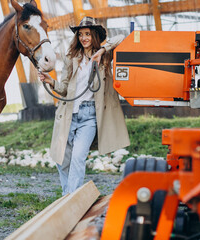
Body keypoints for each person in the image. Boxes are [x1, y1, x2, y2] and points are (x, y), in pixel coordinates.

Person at [39, 16, 130, 195]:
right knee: (62, 159)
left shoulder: (105, 57)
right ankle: (69, 195)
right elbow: (64, 88)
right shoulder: (72, 57)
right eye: (80, 34)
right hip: (69, 113)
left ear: (94, 35)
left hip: (89, 117)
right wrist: (51, 81)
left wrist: (103, 50)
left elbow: (123, 37)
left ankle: (70, 199)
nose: (84, 38)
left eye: (87, 34)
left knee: (78, 158)